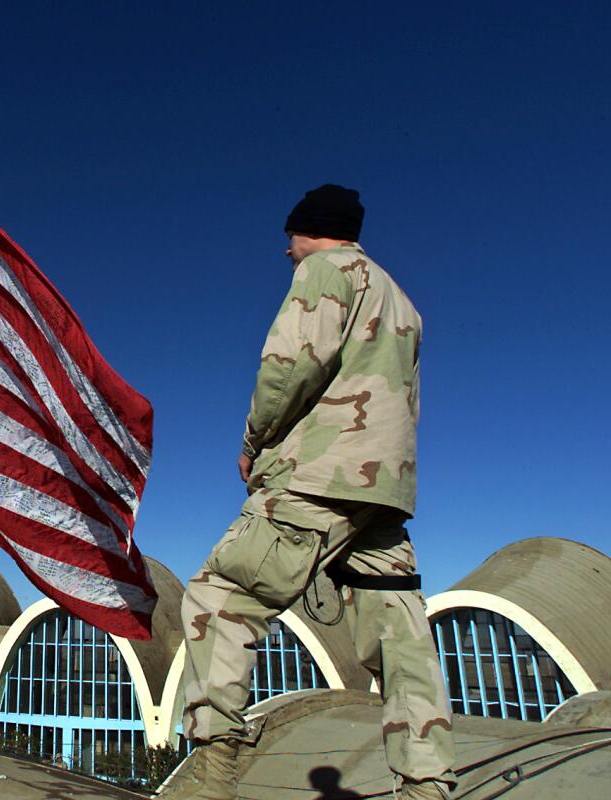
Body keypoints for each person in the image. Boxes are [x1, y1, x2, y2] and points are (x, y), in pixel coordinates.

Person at [169, 185, 456, 799]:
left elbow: (290, 365)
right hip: (380, 492)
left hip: (318, 478)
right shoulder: (401, 299)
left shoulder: (326, 271)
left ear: (308, 230)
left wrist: (254, 441)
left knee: (220, 599)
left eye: (290, 237)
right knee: (400, 639)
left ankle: (213, 769)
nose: (286, 250)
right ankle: (428, 783)